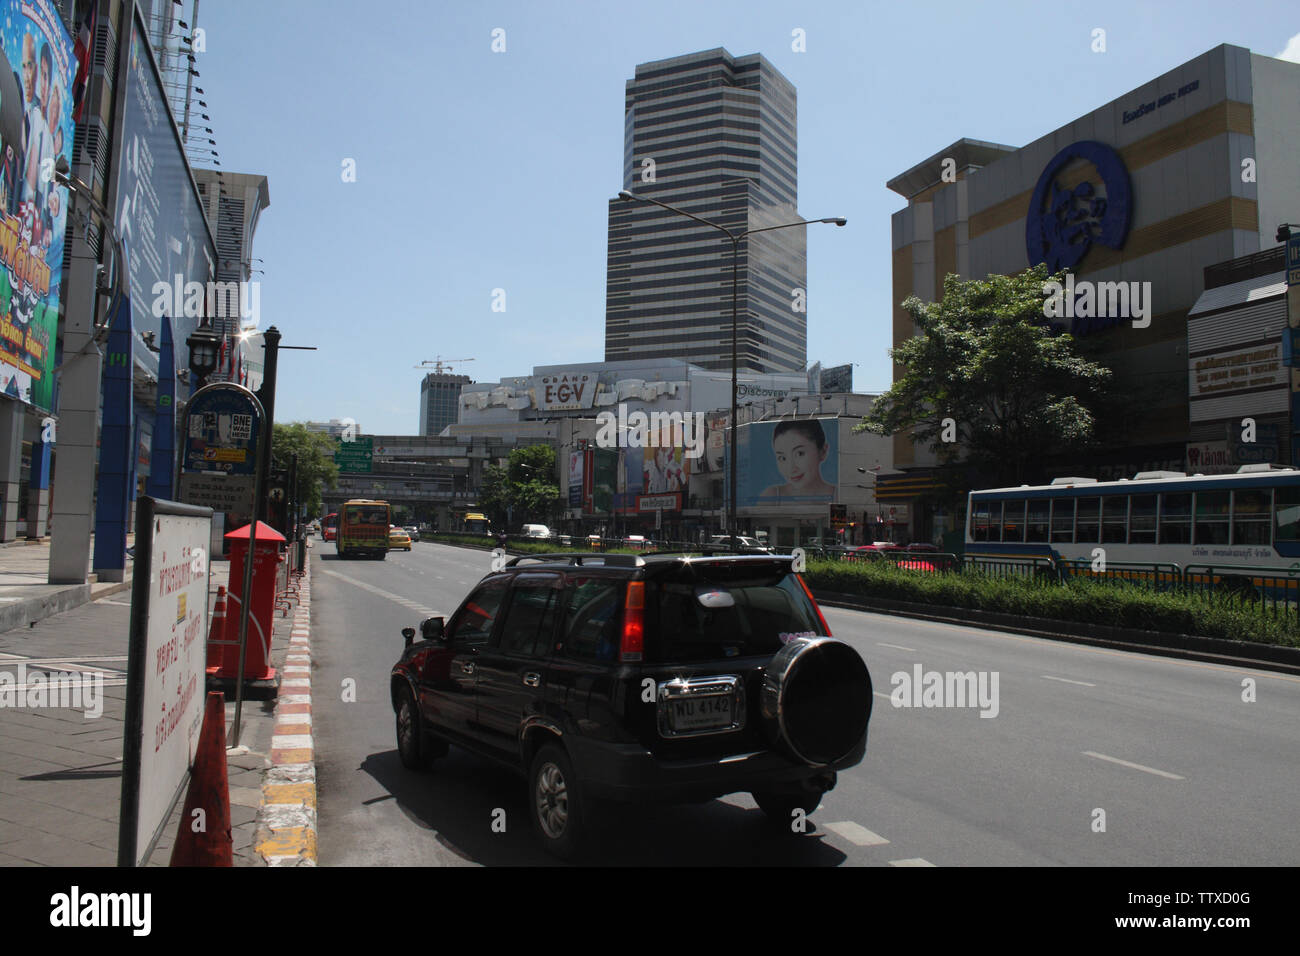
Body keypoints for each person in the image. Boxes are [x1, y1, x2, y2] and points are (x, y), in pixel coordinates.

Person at [760, 419, 835, 499]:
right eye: (783, 458)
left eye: (800, 454)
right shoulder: (771, 497)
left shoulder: (839, 496)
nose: (791, 468)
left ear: (823, 451)